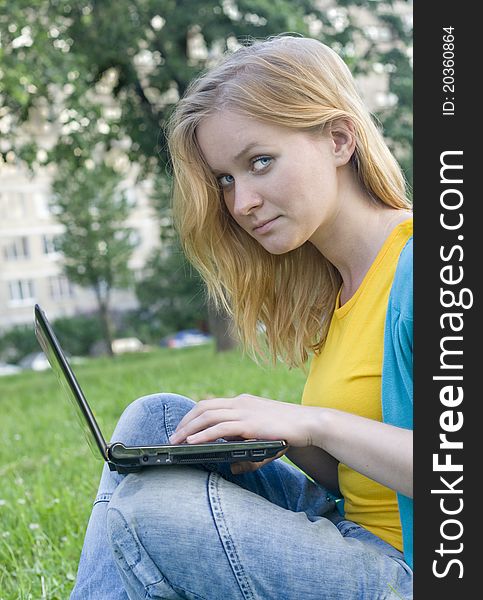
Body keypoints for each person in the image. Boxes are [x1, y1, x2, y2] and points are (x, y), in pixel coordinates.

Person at [70, 34, 413, 599]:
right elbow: (363, 479)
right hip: (357, 536)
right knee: (153, 421)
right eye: (227, 179)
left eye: (260, 162)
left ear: (338, 139)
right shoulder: (340, 284)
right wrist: (271, 441)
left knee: (153, 513)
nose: (241, 202)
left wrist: (310, 424)